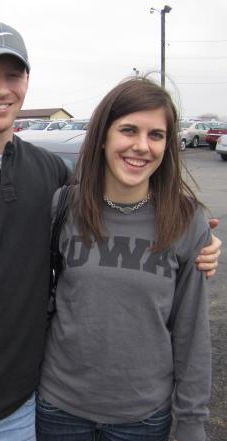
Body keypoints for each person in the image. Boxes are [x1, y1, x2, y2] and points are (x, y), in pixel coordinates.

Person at [0, 22, 221, 441]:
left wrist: (198, 240)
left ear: (27, 82)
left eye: (12, 75)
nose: (1, 88)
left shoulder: (49, 175)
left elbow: (116, 205)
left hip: (22, 410)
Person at [37, 78, 214, 441]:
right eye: (128, 130)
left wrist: (193, 421)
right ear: (103, 136)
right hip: (59, 409)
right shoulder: (63, 208)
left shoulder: (185, 220)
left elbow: (192, 330)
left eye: (156, 135)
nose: (141, 146)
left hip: (142, 418)